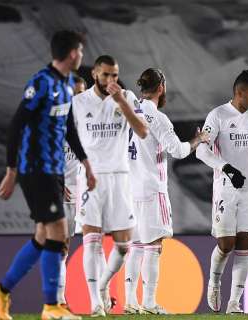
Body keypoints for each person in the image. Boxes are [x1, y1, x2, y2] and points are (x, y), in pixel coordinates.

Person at [0, 30, 95, 320]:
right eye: (80, 51)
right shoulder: (41, 82)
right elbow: (16, 125)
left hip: (54, 171)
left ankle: (1, 291)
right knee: (58, 231)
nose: (82, 55)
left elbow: (68, 128)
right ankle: (51, 306)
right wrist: (11, 171)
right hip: (35, 169)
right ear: (72, 53)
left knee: (43, 236)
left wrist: (85, 163)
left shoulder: (68, 83)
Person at [123, 68, 209, 314]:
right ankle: (149, 303)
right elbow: (179, 151)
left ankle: (130, 301)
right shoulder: (158, 118)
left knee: (137, 245)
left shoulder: (129, 112)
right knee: (153, 246)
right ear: (161, 88)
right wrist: (198, 139)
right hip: (152, 188)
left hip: (131, 188)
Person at [72, 55, 148, 316]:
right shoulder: (79, 102)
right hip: (91, 177)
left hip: (120, 177)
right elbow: (64, 139)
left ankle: (103, 286)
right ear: (95, 74)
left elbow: (142, 131)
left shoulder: (126, 97)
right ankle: (95, 303)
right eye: (105, 75)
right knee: (91, 240)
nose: (111, 80)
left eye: (114, 75)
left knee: (124, 245)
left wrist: (121, 102)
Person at [196, 70, 248, 314]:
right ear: (239, 92)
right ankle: (214, 282)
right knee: (226, 244)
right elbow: (202, 151)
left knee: (244, 244)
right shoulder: (218, 115)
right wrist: (226, 167)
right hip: (226, 187)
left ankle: (235, 302)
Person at [57, 75, 88, 309]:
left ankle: (102, 298)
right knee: (61, 248)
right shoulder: (57, 124)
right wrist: (58, 182)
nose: (78, 98)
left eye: (81, 93)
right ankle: (58, 299)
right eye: (73, 93)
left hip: (88, 195)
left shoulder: (90, 122)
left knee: (96, 244)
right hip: (65, 193)